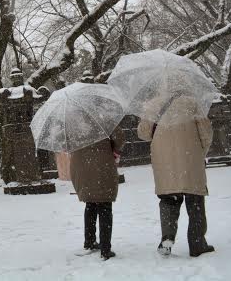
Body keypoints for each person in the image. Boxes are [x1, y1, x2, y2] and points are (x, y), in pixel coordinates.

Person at [138, 93, 215, 257]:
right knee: (195, 201)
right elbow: (206, 133)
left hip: (164, 160)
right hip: (190, 158)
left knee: (168, 199)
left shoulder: (152, 104)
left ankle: (167, 238)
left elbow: (143, 134)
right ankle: (197, 243)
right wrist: (201, 152)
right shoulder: (192, 102)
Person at [70, 125, 125, 260]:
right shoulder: (103, 117)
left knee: (90, 204)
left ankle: (89, 243)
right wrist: (114, 150)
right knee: (104, 205)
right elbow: (120, 138)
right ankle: (105, 249)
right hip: (102, 165)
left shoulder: (73, 121)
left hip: (81, 166)